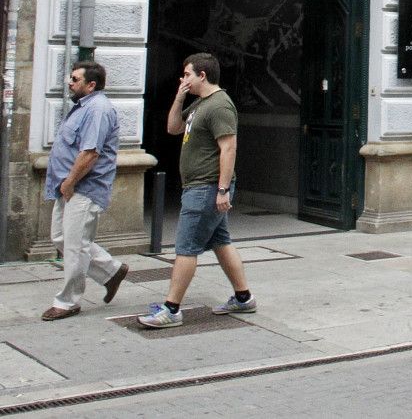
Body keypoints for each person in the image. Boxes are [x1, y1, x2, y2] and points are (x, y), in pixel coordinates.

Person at [138, 53, 256, 328]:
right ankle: (243, 298)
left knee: (186, 248)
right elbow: (173, 128)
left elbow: (229, 147)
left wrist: (223, 189)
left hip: (206, 187)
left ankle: (171, 309)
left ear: (202, 75)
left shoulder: (219, 106)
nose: (183, 79)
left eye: (187, 74)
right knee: (220, 242)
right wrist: (179, 97)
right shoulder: (200, 104)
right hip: (200, 186)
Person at [41, 61, 129, 320]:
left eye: (75, 79)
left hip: (84, 187)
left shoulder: (98, 109)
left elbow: (90, 153)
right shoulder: (82, 108)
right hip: (68, 186)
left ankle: (68, 301)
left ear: (91, 85)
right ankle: (112, 271)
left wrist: (69, 182)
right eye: (71, 78)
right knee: (61, 238)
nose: (70, 82)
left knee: (75, 246)